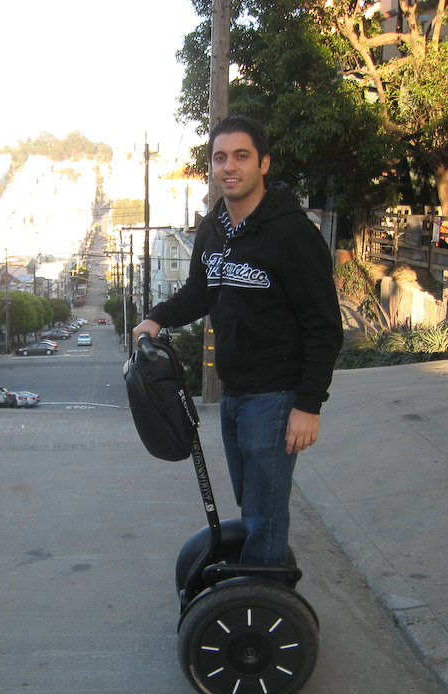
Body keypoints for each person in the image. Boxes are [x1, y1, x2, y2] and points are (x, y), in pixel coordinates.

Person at [132, 115, 342, 575]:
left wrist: (308, 405)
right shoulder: (213, 229)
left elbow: (325, 326)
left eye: (241, 156)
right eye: (220, 157)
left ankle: (259, 613)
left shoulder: (292, 234)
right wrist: (156, 319)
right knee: (253, 502)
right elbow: (198, 293)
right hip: (234, 394)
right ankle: (259, 585)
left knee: (265, 515)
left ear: (263, 163)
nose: (230, 166)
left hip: (276, 396)